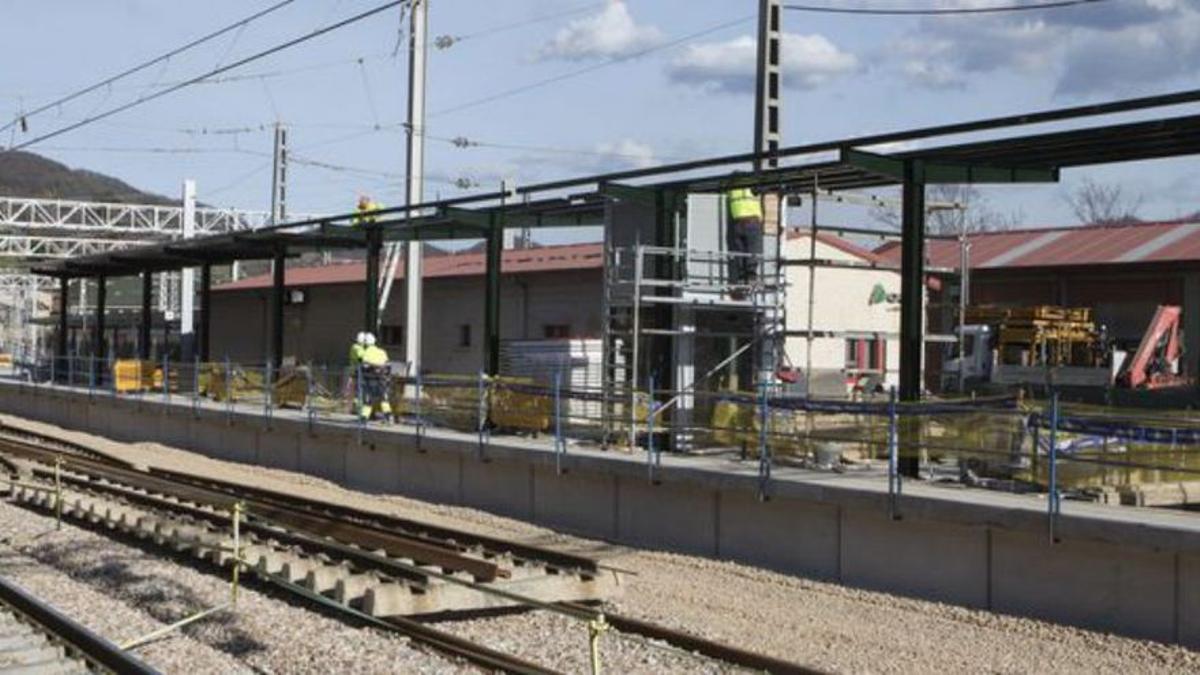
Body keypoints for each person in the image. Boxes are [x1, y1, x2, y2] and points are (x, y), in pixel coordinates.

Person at [725, 187, 764, 298]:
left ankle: (742, 279)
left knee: (739, 251)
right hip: (752, 221)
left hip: (737, 221)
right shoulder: (753, 183)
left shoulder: (732, 187)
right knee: (753, 250)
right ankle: (751, 277)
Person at [359, 332, 394, 423]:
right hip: (381, 379)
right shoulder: (382, 352)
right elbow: (388, 366)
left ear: (365, 344)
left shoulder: (365, 352)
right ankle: (388, 416)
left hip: (369, 379)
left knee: (368, 400)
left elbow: (364, 366)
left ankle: (364, 418)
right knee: (383, 398)